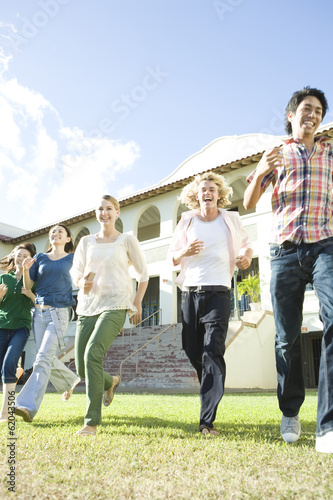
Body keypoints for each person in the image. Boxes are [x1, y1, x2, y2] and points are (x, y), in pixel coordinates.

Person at [244, 87, 333, 453]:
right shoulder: (276, 154)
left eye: (318, 110)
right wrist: (263, 169)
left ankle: (327, 427)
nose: (312, 115)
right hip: (284, 251)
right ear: (291, 115)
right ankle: (290, 410)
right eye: (305, 109)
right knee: (286, 337)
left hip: (325, 245)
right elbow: (249, 202)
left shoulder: (330, 154)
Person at [168, 172, 253, 435]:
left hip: (219, 292)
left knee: (212, 352)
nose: (208, 192)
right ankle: (209, 382)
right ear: (196, 195)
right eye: (203, 189)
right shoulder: (187, 219)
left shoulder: (231, 219)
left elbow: (247, 246)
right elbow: (172, 257)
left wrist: (246, 257)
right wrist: (185, 251)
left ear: (219, 195)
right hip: (190, 293)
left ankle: (207, 421)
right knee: (193, 351)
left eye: (212, 189)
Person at [71, 195, 149, 436]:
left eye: (108, 209)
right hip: (87, 305)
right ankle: (111, 381)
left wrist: (136, 302)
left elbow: (143, 273)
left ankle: (91, 422)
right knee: (83, 370)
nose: (104, 213)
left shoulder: (126, 240)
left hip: (116, 303)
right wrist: (81, 283)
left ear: (117, 212)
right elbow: (76, 272)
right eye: (100, 209)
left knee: (93, 353)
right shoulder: (85, 241)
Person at [14, 224, 80, 423]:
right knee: (45, 359)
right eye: (53, 231)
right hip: (39, 313)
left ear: (68, 239)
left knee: (42, 358)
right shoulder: (40, 258)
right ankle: (70, 380)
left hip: (59, 313)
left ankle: (26, 406)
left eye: (60, 231)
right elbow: (28, 287)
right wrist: (26, 270)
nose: (56, 233)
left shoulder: (73, 258)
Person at [0, 243, 36, 423]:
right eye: (19, 255)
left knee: (7, 364)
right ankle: (16, 370)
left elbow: (38, 302)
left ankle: (4, 414)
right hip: (1, 326)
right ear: (14, 257)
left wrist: (29, 293)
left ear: (30, 259)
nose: (21, 258)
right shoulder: (3, 278)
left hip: (21, 327)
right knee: (5, 366)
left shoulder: (32, 279)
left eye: (25, 256)